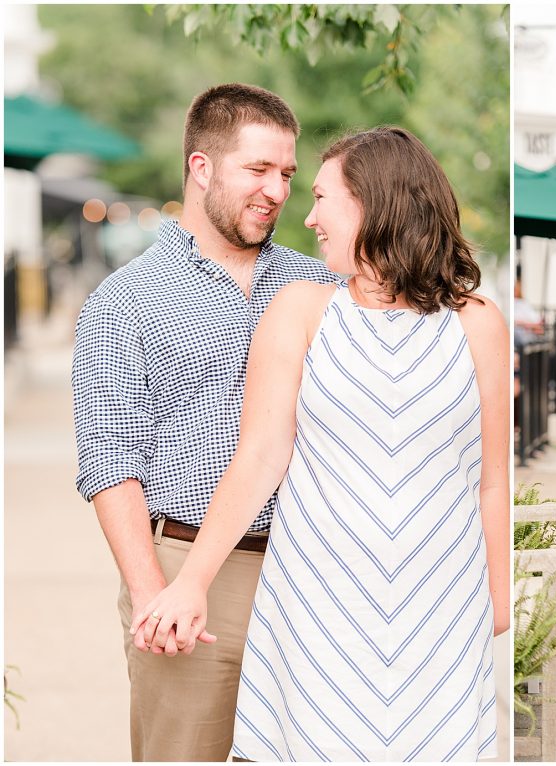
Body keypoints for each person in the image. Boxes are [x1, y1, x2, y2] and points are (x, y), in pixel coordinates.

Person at [132, 126, 510, 761]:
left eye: (321, 197)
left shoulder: (478, 322)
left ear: (372, 202)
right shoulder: (300, 309)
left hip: (441, 601)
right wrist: (191, 582)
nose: (306, 218)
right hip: (317, 604)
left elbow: (493, 478)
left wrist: (497, 599)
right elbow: (258, 457)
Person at [71, 83, 338, 761]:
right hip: (188, 572)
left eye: (286, 174)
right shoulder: (123, 301)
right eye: (258, 170)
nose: (278, 192)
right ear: (201, 167)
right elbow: (110, 461)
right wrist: (151, 593)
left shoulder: (322, 286)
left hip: (315, 574)